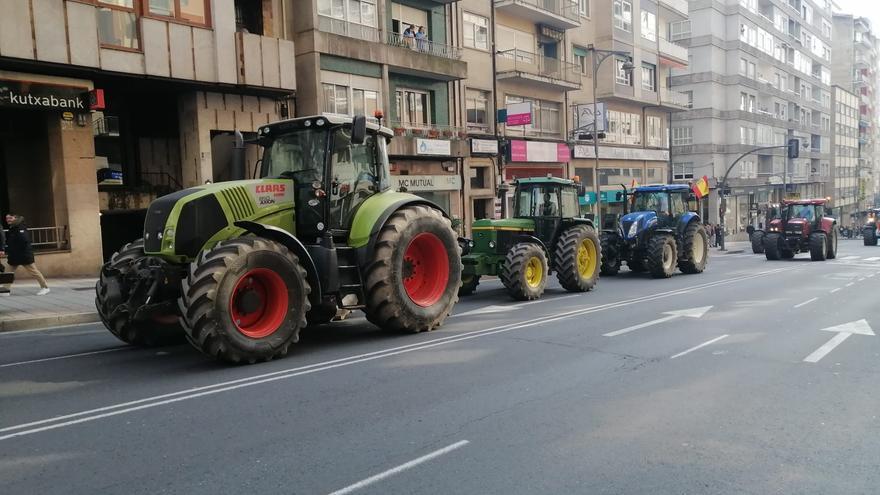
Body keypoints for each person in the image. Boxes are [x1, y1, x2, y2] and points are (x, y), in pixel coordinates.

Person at [1, 214, 49, 296]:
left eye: (10, 218)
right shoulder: (13, 227)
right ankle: (6, 290)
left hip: (23, 255)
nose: (8, 220)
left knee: (34, 272)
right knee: (7, 272)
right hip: (14, 256)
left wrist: (12, 249)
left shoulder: (20, 228)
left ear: (15, 218)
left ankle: (45, 287)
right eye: (7, 218)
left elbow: (23, 241)